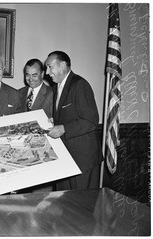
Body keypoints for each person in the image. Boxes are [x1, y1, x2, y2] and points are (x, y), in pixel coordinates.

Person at [45, 51, 102, 190]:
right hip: (66, 157)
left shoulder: (80, 84)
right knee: (65, 204)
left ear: (63, 65)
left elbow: (91, 120)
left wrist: (63, 128)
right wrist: (55, 121)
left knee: (81, 205)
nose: (47, 72)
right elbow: (69, 115)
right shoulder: (56, 87)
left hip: (83, 159)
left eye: (50, 66)